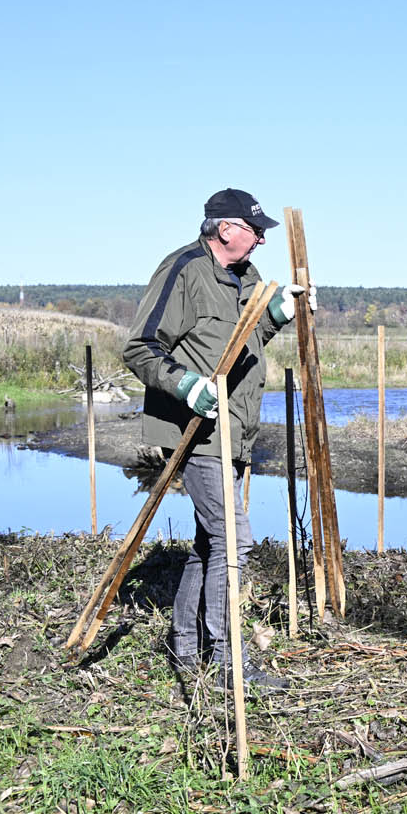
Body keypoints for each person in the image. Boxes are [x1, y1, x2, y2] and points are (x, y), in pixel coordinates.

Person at [123, 188, 309, 691]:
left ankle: (185, 647)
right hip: (196, 431)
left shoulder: (246, 276)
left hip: (235, 430)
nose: (262, 240)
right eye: (255, 230)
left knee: (210, 543)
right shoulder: (183, 269)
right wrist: (186, 384)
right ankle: (228, 662)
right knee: (233, 540)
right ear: (225, 228)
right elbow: (140, 347)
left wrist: (273, 316)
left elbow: (244, 342)